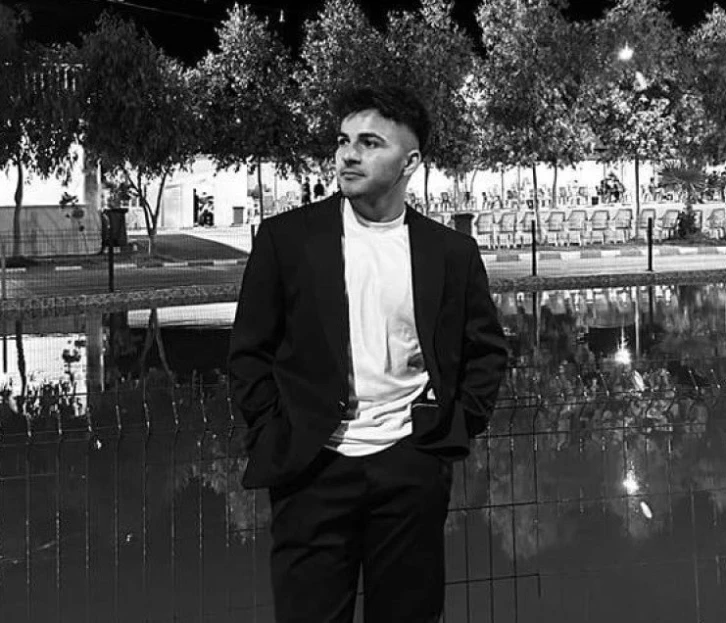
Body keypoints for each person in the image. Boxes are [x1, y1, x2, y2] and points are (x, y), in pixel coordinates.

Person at [228, 85, 508, 623]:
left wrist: (449, 433)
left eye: (370, 143)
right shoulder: (287, 240)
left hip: (410, 468)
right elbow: (248, 352)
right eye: (343, 140)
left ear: (410, 162)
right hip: (311, 469)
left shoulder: (449, 252)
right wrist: (273, 429)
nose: (348, 155)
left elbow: (486, 351)